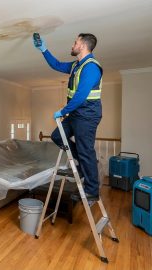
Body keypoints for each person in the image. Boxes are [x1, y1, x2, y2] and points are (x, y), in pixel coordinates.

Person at [34, 33, 103, 202]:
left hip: (87, 116)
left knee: (86, 150)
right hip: (75, 114)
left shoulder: (91, 67)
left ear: (83, 46)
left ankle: (92, 190)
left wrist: (63, 111)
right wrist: (43, 49)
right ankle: (81, 164)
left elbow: (80, 96)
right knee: (58, 136)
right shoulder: (76, 65)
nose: (72, 45)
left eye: (75, 42)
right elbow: (56, 64)